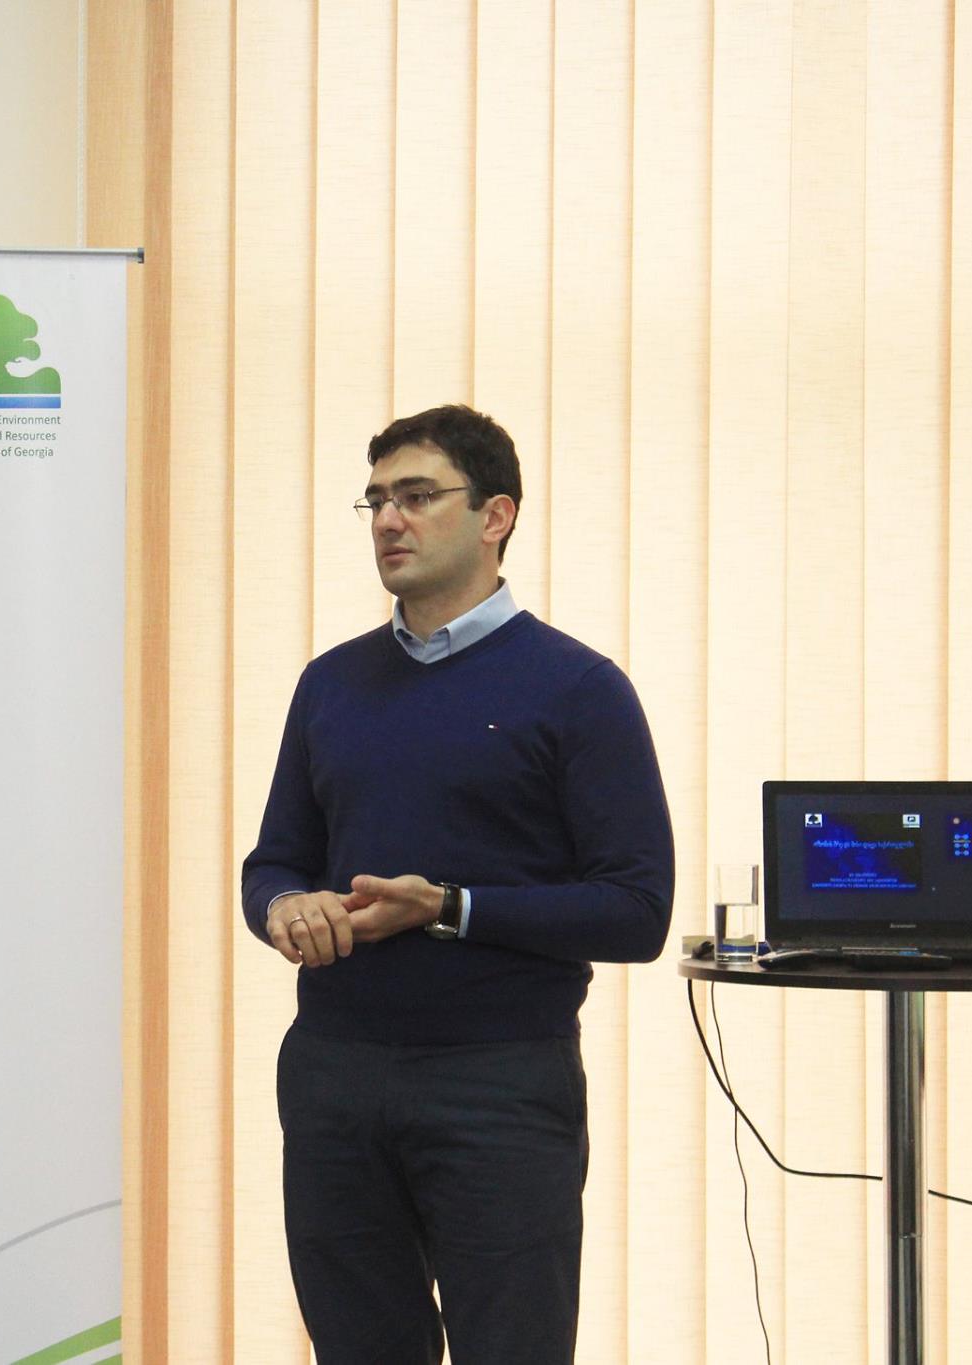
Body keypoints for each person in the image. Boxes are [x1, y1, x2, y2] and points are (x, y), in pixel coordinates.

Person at [241, 404, 674, 1365]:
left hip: (499, 1081)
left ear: (495, 515)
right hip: (333, 1075)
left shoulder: (579, 688)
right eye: (377, 501)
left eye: (417, 495)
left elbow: (637, 909)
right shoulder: (330, 683)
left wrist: (447, 906)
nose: (390, 520)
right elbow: (273, 860)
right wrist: (284, 906)